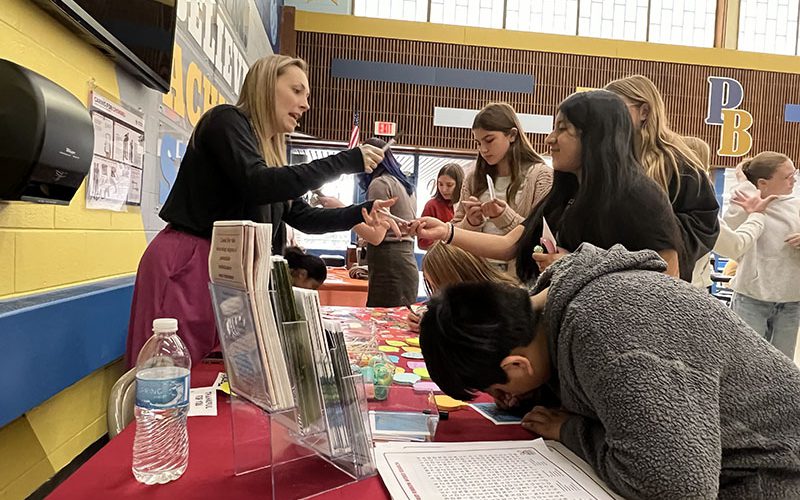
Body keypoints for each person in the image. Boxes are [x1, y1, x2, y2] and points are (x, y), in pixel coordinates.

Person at [420, 244, 800, 499]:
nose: (505, 400)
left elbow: (676, 486)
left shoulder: (613, 341)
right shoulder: (555, 302)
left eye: (499, 390)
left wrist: (570, 431)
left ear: (517, 364)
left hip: (777, 474)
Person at [126, 55, 396, 367]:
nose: (305, 104)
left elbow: (302, 216)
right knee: (168, 373)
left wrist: (360, 212)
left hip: (227, 272)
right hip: (188, 263)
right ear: (266, 86)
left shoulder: (267, 158)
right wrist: (347, 161)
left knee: (210, 374)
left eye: (306, 95)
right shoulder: (225, 121)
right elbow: (257, 184)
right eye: (297, 90)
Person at [409, 90, 682, 286]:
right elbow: (510, 244)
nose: (550, 138)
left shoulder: (642, 198)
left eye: (562, 129)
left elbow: (666, 282)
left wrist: (575, 267)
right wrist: (447, 230)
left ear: (595, 136)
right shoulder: (564, 193)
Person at [605, 75, 720, 282]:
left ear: (644, 111)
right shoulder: (606, 157)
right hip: (609, 274)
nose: (607, 118)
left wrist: (666, 242)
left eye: (616, 110)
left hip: (656, 278)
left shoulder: (679, 163)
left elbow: (704, 223)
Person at [451, 102, 552, 272]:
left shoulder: (542, 176)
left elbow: (543, 239)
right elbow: (454, 232)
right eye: (478, 142)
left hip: (521, 282)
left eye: (489, 140)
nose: (483, 149)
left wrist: (505, 217)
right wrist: (470, 222)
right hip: (476, 277)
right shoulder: (473, 178)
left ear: (512, 135)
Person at [724, 151, 800, 358]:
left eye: (794, 174)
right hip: (751, 298)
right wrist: (744, 183)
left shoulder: (796, 205)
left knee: (783, 366)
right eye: (787, 176)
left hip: (791, 300)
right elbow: (730, 237)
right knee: (744, 361)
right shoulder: (742, 202)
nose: (793, 179)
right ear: (763, 183)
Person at [406, 242, 520, 332]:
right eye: (432, 287)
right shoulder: (464, 299)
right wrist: (423, 318)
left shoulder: (502, 301)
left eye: (439, 286)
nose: (437, 294)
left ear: (459, 276)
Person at [360, 137, 419, 307]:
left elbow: (376, 236)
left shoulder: (380, 183)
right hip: (405, 259)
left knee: (382, 325)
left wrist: (340, 211)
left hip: (389, 263)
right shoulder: (404, 184)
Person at [418, 164, 464, 250]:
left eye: (449, 185)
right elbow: (422, 242)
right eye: (440, 184)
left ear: (459, 184)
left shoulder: (465, 205)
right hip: (440, 258)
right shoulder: (432, 205)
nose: (444, 189)